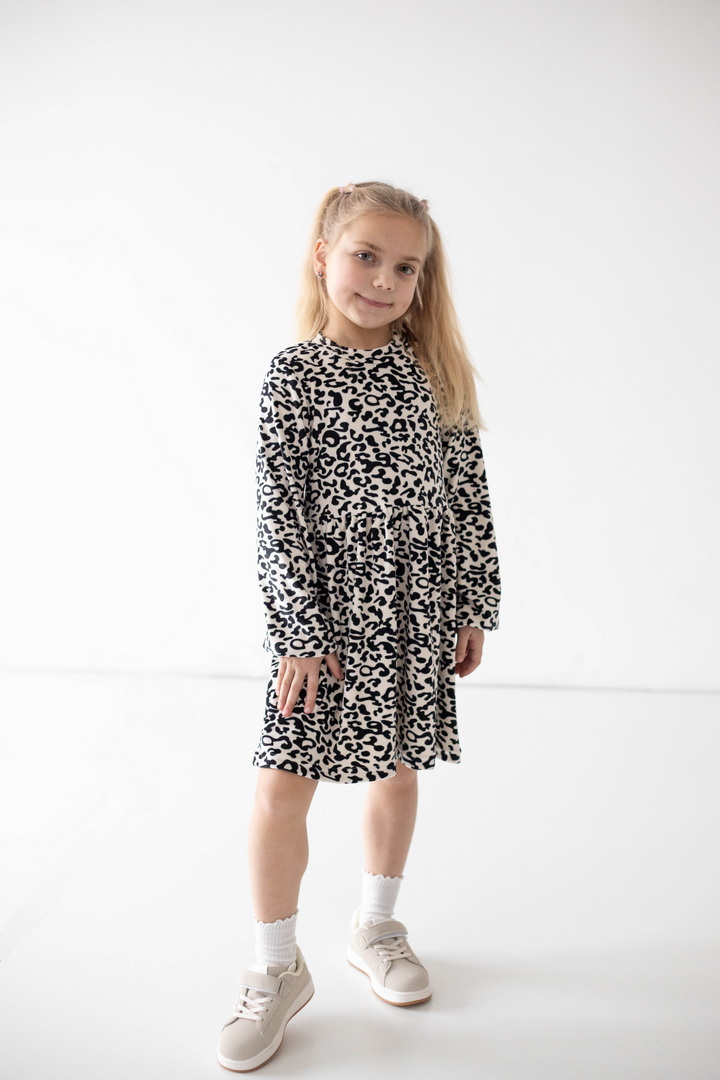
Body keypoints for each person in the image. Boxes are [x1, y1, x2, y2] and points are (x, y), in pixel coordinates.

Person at [217, 181, 501, 1072]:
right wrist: (299, 632)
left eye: (405, 267)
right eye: (365, 257)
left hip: (414, 611)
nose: (383, 280)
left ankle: (376, 926)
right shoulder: (294, 375)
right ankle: (275, 967)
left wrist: (472, 604)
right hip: (325, 623)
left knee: (397, 770)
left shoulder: (433, 373)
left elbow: (467, 496)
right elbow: (279, 514)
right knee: (281, 789)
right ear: (322, 257)